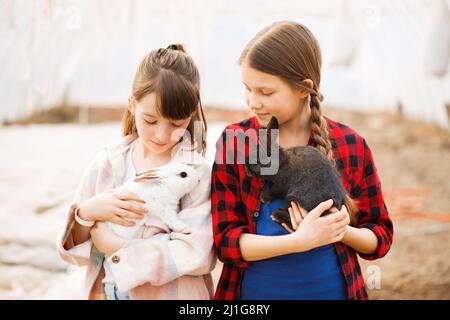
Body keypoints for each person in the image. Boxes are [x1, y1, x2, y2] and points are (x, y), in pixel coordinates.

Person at [211, 21, 393, 300]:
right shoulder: (237, 141)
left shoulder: (349, 144)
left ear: (303, 89)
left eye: (266, 92)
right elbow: (225, 242)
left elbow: (379, 238)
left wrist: (338, 230)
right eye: (247, 88)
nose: (252, 101)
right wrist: (298, 242)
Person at [57, 44, 216, 300]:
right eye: (150, 120)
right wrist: (87, 213)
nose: (162, 135)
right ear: (131, 105)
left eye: (177, 124)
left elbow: (198, 254)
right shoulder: (107, 163)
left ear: (191, 116)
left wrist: (119, 247)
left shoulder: (195, 173)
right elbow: (71, 252)